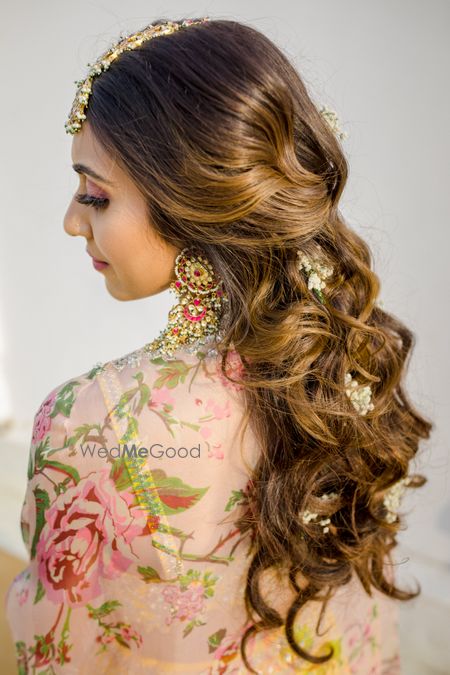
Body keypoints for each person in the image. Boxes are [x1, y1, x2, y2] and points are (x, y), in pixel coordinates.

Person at [4, 16, 433, 674]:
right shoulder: (348, 360)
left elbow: (53, 654)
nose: (71, 221)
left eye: (94, 195)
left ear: (191, 202)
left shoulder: (89, 421)